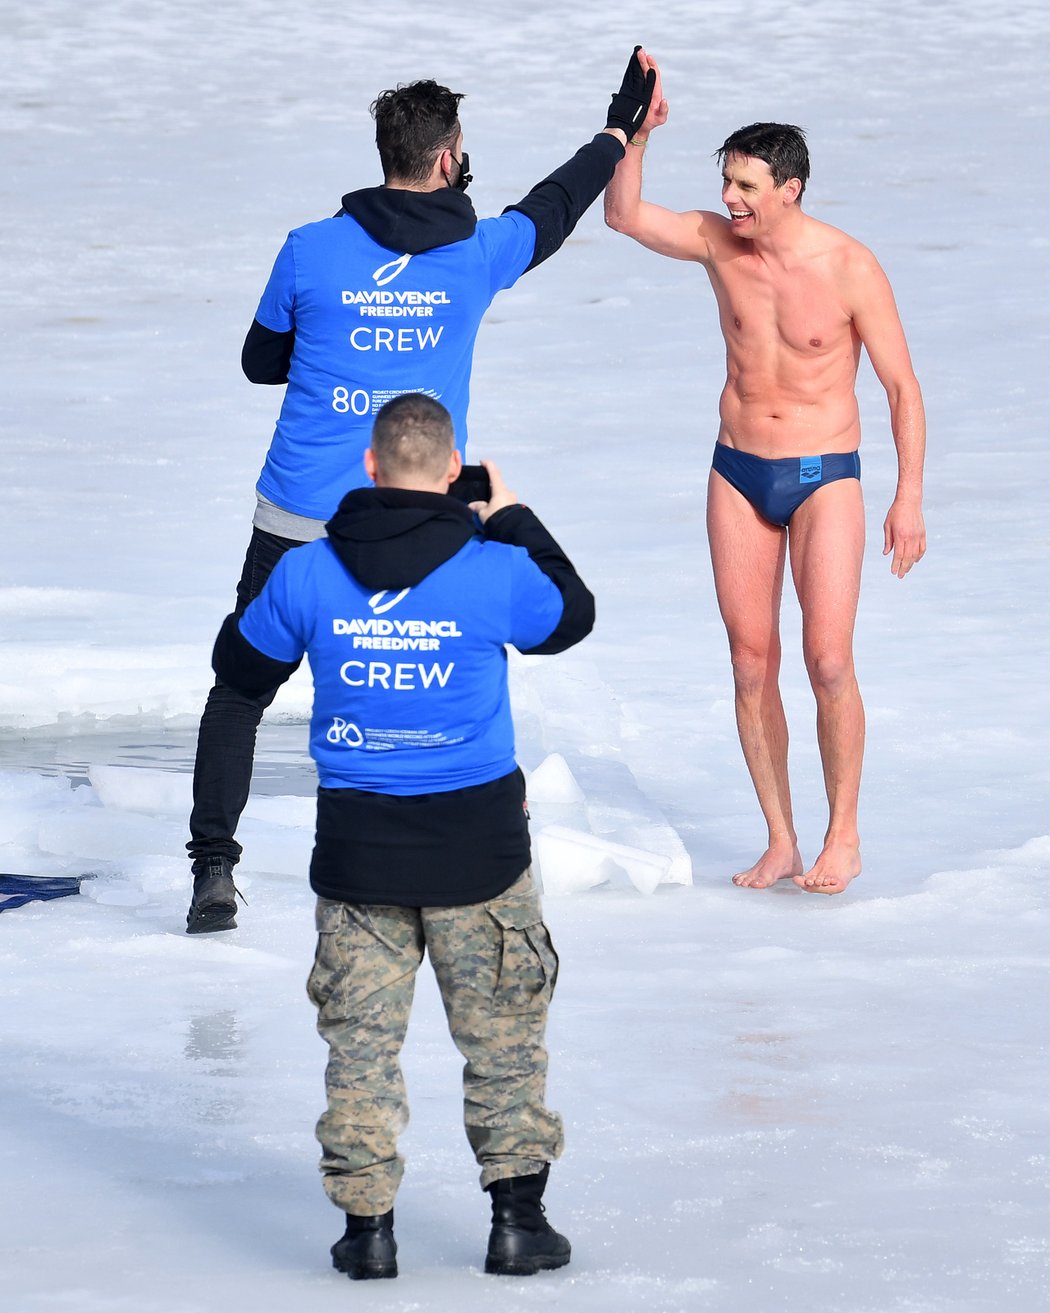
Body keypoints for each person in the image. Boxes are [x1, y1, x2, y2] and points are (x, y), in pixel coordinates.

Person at [186, 51, 654, 934]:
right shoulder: (476, 256)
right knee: (466, 653)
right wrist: (617, 132)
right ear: (448, 160)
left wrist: (339, 339)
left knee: (241, 687)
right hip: (421, 509)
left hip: (296, 510)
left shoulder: (310, 248)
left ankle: (213, 869)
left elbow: (258, 362)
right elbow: (550, 211)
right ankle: (486, 845)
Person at [210, 393, 595, 1278]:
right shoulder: (493, 566)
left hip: (359, 856)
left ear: (372, 468)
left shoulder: (306, 574)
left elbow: (239, 668)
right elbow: (571, 615)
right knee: (502, 1039)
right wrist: (515, 517)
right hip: (480, 853)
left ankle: (367, 1231)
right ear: (451, 466)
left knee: (360, 1046)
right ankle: (516, 1224)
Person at [604, 52, 926, 895]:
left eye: (747, 185)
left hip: (826, 476)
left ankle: (843, 835)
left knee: (826, 661)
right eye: (727, 182)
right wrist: (637, 134)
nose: (732, 199)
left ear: (792, 188)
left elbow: (901, 386)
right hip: (738, 469)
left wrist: (910, 496)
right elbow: (625, 216)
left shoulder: (850, 266)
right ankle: (782, 838)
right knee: (751, 662)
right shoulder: (719, 244)